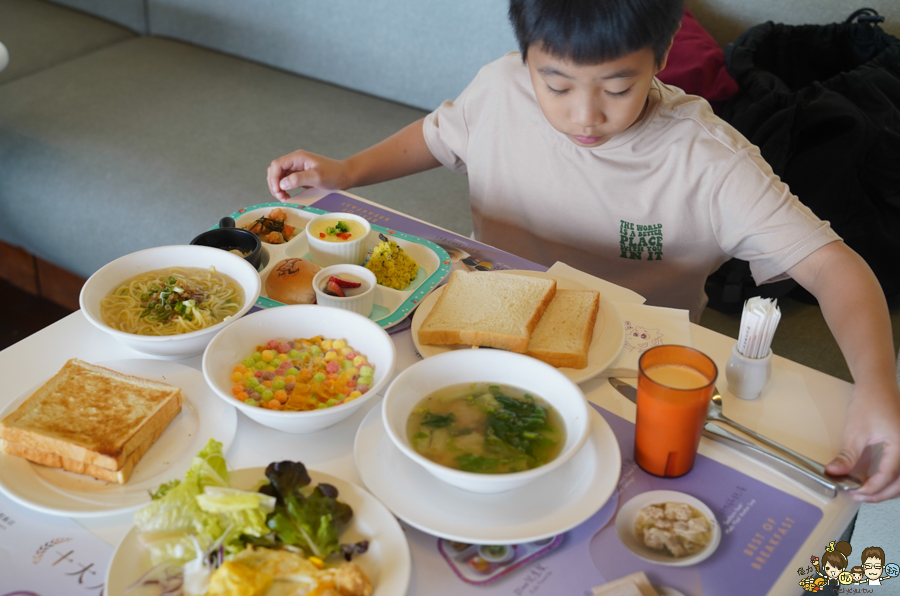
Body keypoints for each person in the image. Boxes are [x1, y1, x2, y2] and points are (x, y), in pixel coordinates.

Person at [266, 0, 900, 502]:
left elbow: (831, 265)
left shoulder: (710, 163)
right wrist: (347, 170)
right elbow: (439, 136)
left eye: (617, 87)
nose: (584, 116)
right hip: (480, 339)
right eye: (557, 83)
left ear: (664, 53)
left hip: (636, 378)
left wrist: (877, 386)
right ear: (526, 57)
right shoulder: (499, 89)